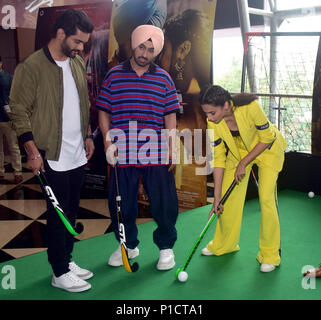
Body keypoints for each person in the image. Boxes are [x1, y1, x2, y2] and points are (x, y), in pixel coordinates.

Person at [9, 9, 95, 293]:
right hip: (51, 155)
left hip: (77, 153)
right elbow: (18, 110)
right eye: (78, 41)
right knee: (57, 214)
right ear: (61, 34)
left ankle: (66, 260)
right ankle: (59, 271)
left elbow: (83, 103)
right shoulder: (31, 66)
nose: (81, 47)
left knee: (70, 211)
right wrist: (31, 150)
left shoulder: (77, 63)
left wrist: (86, 135)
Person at [97, 24, 180, 271]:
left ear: (156, 53)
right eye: (142, 47)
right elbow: (104, 111)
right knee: (122, 204)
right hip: (122, 153)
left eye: (151, 50)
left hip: (155, 152)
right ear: (134, 45)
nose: (145, 53)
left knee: (164, 203)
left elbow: (170, 117)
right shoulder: (113, 75)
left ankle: (166, 248)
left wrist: (171, 148)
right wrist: (107, 141)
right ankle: (128, 244)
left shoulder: (164, 78)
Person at [199, 84, 287, 273]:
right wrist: (216, 198)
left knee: (266, 199)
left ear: (226, 106)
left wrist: (244, 163)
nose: (209, 117)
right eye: (206, 113)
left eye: (212, 112)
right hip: (238, 152)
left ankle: (270, 254)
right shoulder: (213, 122)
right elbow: (219, 157)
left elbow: (267, 137)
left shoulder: (251, 107)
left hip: (268, 151)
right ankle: (224, 244)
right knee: (226, 198)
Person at [0, 56, 23, 183]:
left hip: (8, 118)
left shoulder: (9, 78)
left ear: (1, 63)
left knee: (13, 146)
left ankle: (17, 172)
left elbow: (13, 99)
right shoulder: (10, 77)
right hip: (5, 117)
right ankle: (2, 172)